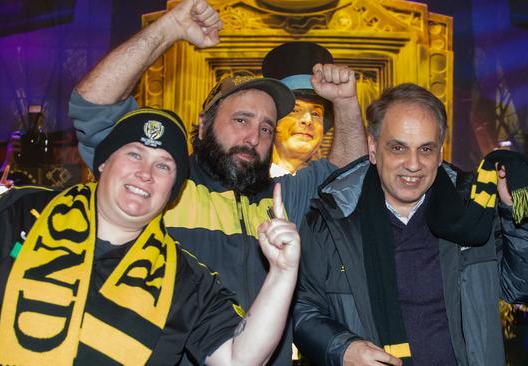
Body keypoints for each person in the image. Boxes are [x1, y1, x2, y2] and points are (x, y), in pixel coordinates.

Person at [69, 0, 367, 364]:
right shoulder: (165, 183)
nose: (254, 136)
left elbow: (348, 175)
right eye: (241, 120)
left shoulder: (280, 199)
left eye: (266, 127)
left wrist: (347, 103)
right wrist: (170, 27)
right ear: (204, 124)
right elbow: (94, 104)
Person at [0, 108, 301, 366]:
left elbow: (238, 359)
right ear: (103, 162)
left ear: (175, 190)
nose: (145, 173)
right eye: (134, 154)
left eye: (163, 165)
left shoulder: (187, 279)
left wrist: (283, 273)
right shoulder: (19, 210)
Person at [293, 83, 528, 365]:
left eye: (426, 149)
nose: (413, 164)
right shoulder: (332, 218)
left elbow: (519, 287)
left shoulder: (473, 211)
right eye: (398, 147)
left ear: (440, 153)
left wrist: (514, 212)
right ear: (373, 148)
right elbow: (303, 308)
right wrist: (342, 349)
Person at [262, 41, 336, 177]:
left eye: (315, 113)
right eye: (295, 110)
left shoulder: (333, 188)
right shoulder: (245, 184)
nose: (308, 120)